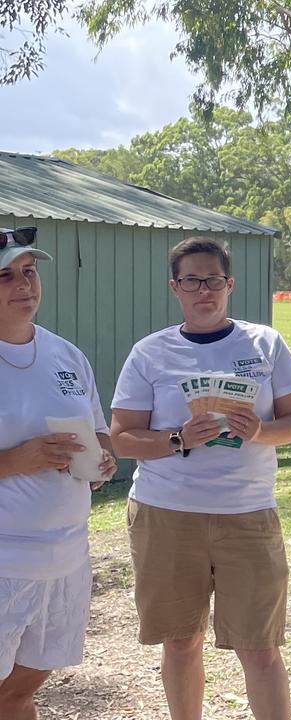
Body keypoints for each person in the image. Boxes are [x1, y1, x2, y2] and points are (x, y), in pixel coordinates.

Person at [110, 237, 291, 720]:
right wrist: (177, 439)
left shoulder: (264, 343)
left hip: (247, 514)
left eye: (214, 280)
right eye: (193, 281)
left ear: (230, 284)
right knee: (180, 643)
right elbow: (122, 439)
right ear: (175, 287)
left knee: (260, 648)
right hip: (167, 514)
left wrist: (262, 430)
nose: (205, 290)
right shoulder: (150, 352)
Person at [0, 227, 116, 720]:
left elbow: (99, 430)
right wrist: (14, 461)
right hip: (5, 564)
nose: (23, 285)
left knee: (19, 695)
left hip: (66, 560)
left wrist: (102, 460)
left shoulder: (67, 356)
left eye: (29, 271)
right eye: (5, 275)